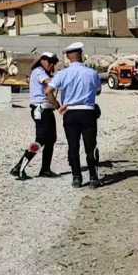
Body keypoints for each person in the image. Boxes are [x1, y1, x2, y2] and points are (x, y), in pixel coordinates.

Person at [46, 42, 102, 189]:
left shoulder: (62, 74)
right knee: (90, 146)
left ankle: (76, 178)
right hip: (88, 111)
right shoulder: (92, 73)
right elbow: (97, 91)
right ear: (81, 55)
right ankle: (93, 177)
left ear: (69, 57)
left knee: (73, 146)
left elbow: (48, 92)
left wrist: (58, 106)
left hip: (70, 112)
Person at [10, 52, 60, 180]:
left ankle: (45, 169)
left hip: (47, 110)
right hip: (40, 109)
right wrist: (61, 79)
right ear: (43, 61)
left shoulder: (43, 71)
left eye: (53, 62)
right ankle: (19, 168)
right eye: (50, 62)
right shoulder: (39, 71)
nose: (52, 65)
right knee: (40, 140)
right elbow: (49, 83)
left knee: (51, 139)